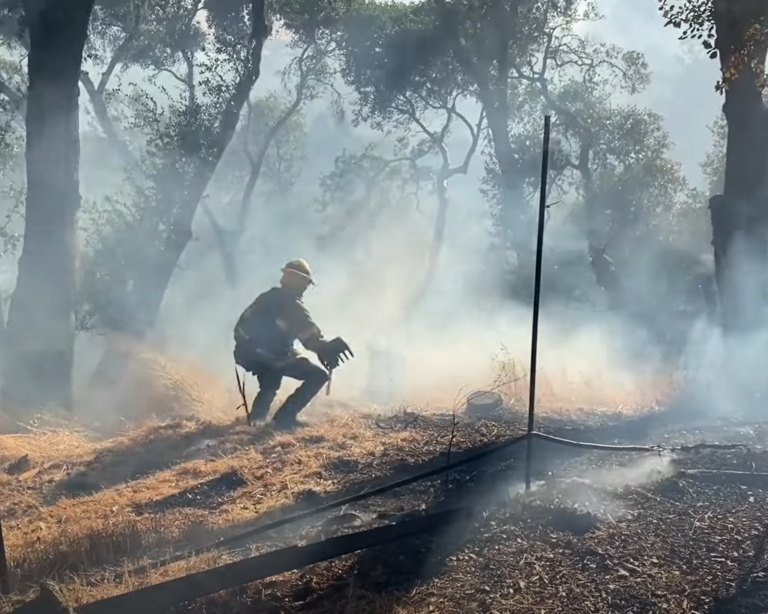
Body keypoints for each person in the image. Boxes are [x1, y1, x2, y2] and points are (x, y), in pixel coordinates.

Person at [233, 259, 343, 430]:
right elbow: (309, 336)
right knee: (318, 376)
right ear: (297, 281)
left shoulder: (267, 296)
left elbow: (241, 327)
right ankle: (283, 419)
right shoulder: (291, 304)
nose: (305, 288)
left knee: (270, 382)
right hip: (269, 354)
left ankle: (256, 422)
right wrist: (325, 347)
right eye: (305, 283)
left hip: (248, 352)